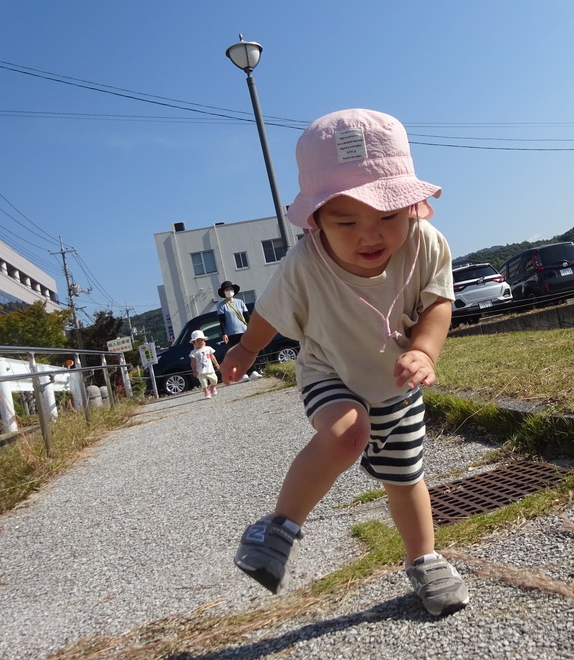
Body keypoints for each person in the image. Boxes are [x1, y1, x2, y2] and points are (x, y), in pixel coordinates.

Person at [220, 108, 469, 617]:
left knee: (405, 477)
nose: (369, 236)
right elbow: (267, 314)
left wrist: (424, 350)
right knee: (347, 434)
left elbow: (438, 303)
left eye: (387, 217)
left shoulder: (426, 245)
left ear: (413, 207)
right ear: (316, 221)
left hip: (397, 383)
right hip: (329, 369)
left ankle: (425, 560)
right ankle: (277, 529)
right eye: (347, 221)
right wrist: (246, 350)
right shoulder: (305, 264)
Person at [189, 329, 220, 398]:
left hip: (210, 369)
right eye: (198, 341)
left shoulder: (208, 349)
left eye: (202, 340)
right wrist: (194, 370)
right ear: (194, 342)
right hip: (200, 371)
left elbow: (212, 357)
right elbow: (193, 362)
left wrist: (216, 364)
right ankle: (206, 392)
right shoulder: (193, 352)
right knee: (203, 383)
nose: (200, 342)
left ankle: (212, 386)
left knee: (215, 380)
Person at [216, 281, 249, 346]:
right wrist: (224, 334)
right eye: (227, 290)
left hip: (244, 331)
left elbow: (247, 317)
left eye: (231, 289)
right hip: (232, 334)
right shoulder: (221, 305)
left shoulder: (240, 302)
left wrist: (251, 329)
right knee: (236, 352)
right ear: (223, 292)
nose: (229, 291)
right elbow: (222, 321)